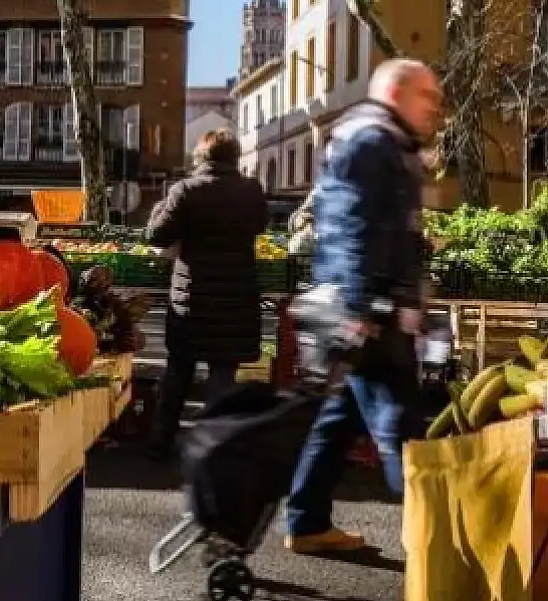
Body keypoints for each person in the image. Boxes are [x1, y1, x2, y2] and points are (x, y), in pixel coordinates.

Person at [285, 59, 443, 554]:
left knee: (340, 418)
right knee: (401, 429)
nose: (435, 109)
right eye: (428, 97)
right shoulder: (371, 141)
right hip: (371, 311)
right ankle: (436, 547)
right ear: (397, 92)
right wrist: (363, 308)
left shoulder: (380, 140)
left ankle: (307, 522)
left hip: (371, 307)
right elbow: (352, 227)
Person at [145, 129, 268, 460]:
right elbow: (261, 225)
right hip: (235, 298)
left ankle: (160, 443)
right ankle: (215, 450)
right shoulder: (251, 191)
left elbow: (157, 235)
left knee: (178, 372)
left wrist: (161, 205)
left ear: (202, 157)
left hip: (192, 298)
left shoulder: (186, 190)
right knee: (222, 375)